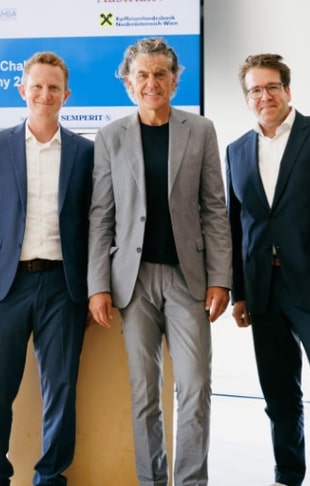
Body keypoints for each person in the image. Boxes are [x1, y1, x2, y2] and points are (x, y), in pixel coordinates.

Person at [87, 37, 232, 486]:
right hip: (133, 282)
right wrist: (98, 285)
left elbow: (214, 208)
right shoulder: (110, 136)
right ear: (129, 83)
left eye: (160, 74)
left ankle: (190, 482)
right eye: (142, 75)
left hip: (189, 280)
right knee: (144, 392)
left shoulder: (200, 130)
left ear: (174, 80)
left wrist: (221, 278)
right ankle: (151, 481)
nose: (152, 83)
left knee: (195, 387)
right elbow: (101, 215)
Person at [225, 53, 310, 486]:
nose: (264, 96)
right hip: (263, 289)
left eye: (272, 87)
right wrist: (239, 292)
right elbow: (235, 225)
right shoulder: (236, 150)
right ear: (246, 98)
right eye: (255, 90)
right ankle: (288, 474)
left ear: (288, 90)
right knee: (279, 392)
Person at [0, 52, 93, 486]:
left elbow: (95, 222)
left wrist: (96, 288)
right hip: (3, 287)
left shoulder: (85, 152)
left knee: (62, 389)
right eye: (37, 86)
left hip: (63, 286)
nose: (45, 94)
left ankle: (50, 477)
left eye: (54, 88)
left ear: (66, 95)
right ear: (22, 91)